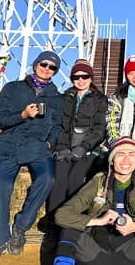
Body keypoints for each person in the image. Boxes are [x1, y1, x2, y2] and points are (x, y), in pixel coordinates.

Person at [0, 50, 64, 262]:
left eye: (52, 67)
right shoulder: (13, 89)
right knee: (0, 187)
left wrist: (49, 143)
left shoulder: (56, 97)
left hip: (38, 147)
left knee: (48, 178)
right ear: (35, 64)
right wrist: (23, 115)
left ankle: (20, 227)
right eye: (43, 64)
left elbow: (57, 126)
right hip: (9, 145)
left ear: (55, 72)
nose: (47, 68)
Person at [53, 136, 135, 265]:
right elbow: (61, 215)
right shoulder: (98, 183)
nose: (126, 160)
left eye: (131, 155)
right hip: (95, 251)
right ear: (111, 160)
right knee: (71, 228)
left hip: (130, 251)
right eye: (120, 154)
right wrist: (99, 221)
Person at [43, 59, 108, 238]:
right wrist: (61, 148)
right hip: (64, 148)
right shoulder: (65, 98)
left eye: (85, 76)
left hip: (88, 150)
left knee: (75, 181)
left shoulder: (99, 99)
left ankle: (72, 224)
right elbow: (60, 126)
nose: (81, 80)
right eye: (76, 77)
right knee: (58, 183)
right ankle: (54, 225)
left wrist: (84, 147)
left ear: (90, 78)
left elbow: (99, 129)